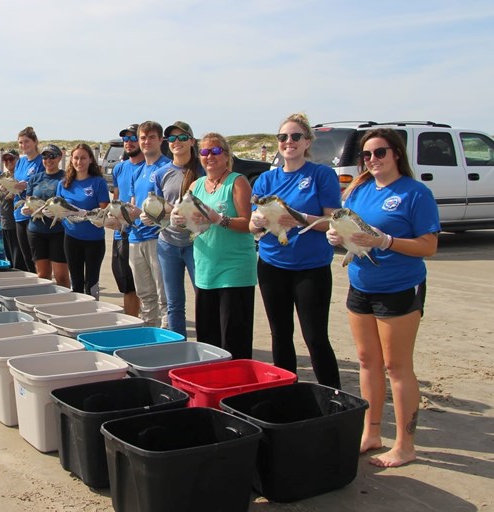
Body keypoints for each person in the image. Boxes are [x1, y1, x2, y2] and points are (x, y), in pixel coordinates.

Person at [327, 128, 440, 467]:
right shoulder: (359, 188)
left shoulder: (415, 193)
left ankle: (405, 444)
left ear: (396, 154)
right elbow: (348, 226)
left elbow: (429, 246)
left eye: (380, 153)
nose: (373, 160)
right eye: (367, 155)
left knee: (397, 366)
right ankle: (371, 431)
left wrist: (385, 241)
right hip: (361, 283)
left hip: (400, 287)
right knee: (367, 361)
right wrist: (337, 236)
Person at [249, 113, 341, 388]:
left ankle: (332, 394)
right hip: (272, 264)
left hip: (311, 267)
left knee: (315, 337)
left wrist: (299, 218)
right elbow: (254, 225)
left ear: (307, 141)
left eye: (295, 136)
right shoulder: (266, 179)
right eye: (283, 137)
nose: (289, 142)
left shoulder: (320, 175)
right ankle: (286, 392)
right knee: (280, 334)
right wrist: (257, 222)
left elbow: (333, 222)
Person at [172, 132, 256, 358]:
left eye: (216, 151)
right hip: (206, 270)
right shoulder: (197, 184)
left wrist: (219, 219)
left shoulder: (237, 181)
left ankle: (237, 387)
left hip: (234, 271)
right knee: (208, 340)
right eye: (205, 152)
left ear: (226, 155)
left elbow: (248, 223)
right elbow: (185, 216)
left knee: (233, 339)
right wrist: (178, 220)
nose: (210, 156)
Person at [152, 121, 202, 338]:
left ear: (191, 141)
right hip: (167, 243)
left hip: (197, 242)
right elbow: (157, 207)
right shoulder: (161, 173)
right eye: (172, 139)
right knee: (173, 304)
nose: (177, 142)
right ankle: (178, 348)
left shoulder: (203, 168)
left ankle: (207, 346)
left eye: (182, 138)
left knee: (204, 298)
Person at [129, 121, 171, 328]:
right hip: (135, 238)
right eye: (143, 138)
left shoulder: (167, 168)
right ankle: (150, 335)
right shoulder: (137, 171)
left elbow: (172, 207)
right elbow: (133, 205)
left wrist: (152, 216)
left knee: (164, 295)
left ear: (160, 140)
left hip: (158, 238)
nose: (146, 142)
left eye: (151, 137)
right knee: (145, 294)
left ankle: (167, 340)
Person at [57, 144, 110, 298]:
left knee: (91, 283)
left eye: (83, 158)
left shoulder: (98, 182)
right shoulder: (63, 184)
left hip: (94, 240)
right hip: (71, 238)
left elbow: (104, 212)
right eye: (76, 158)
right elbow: (58, 209)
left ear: (90, 160)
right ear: (71, 160)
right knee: (76, 283)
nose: (79, 162)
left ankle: (94, 314)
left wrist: (83, 214)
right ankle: (78, 313)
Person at [23, 144, 70, 287]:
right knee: (43, 275)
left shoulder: (66, 178)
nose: (48, 160)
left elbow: (69, 203)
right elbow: (28, 201)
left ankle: (65, 304)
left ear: (59, 157)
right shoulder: (34, 179)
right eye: (45, 156)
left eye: (52, 156)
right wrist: (26, 209)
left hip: (59, 231)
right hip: (36, 231)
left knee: (61, 276)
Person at [109, 124, 143, 316]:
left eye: (133, 138)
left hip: (143, 235)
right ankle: (132, 322)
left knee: (145, 288)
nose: (128, 143)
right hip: (120, 233)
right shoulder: (119, 168)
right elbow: (116, 197)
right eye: (126, 139)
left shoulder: (151, 166)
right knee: (126, 285)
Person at [12, 127, 44, 272]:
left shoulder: (41, 162)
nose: (23, 145)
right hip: (19, 213)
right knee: (25, 255)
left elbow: (45, 186)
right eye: (20, 142)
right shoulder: (20, 162)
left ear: (35, 142)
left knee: (37, 256)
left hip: (34, 214)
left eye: (27, 141)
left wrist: (27, 185)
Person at [0, 149, 19, 267]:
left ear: (18, 160)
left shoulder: (20, 176)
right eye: (5, 159)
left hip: (16, 221)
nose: (8, 162)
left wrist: (11, 192)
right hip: (4, 220)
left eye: (11, 159)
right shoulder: (2, 177)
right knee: (9, 256)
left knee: (17, 256)